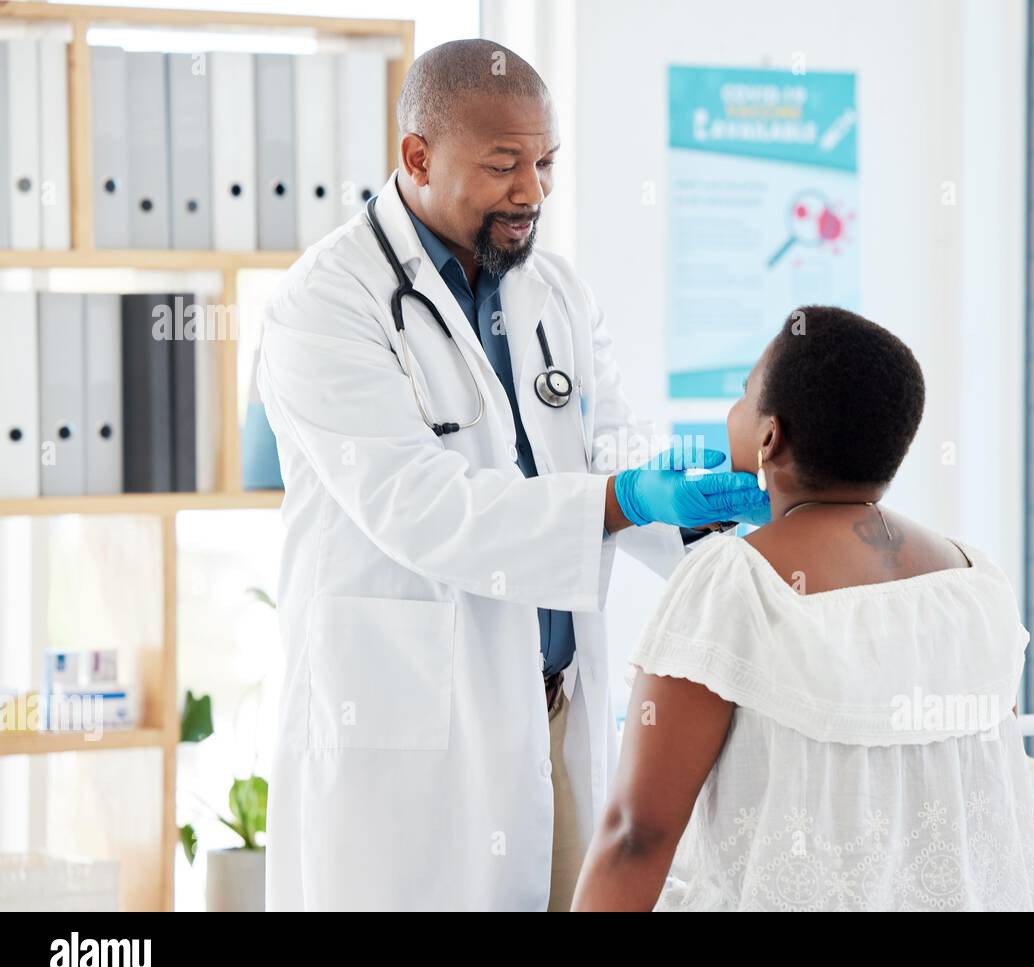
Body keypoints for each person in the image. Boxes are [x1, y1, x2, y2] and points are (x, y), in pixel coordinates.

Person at [256, 39, 767, 911]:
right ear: (417, 155)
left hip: (555, 709)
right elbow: (417, 504)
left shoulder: (555, 292)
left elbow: (609, 449)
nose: (531, 191)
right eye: (503, 165)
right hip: (414, 723)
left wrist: (693, 510)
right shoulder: (326, 302)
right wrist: (620, 499)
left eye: (545, 163)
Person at [571, 306, 1034, 911]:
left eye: (744, 398)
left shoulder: (737, 583)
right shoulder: (978, 584)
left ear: (769, 437)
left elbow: (636, 833)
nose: (733, 415)